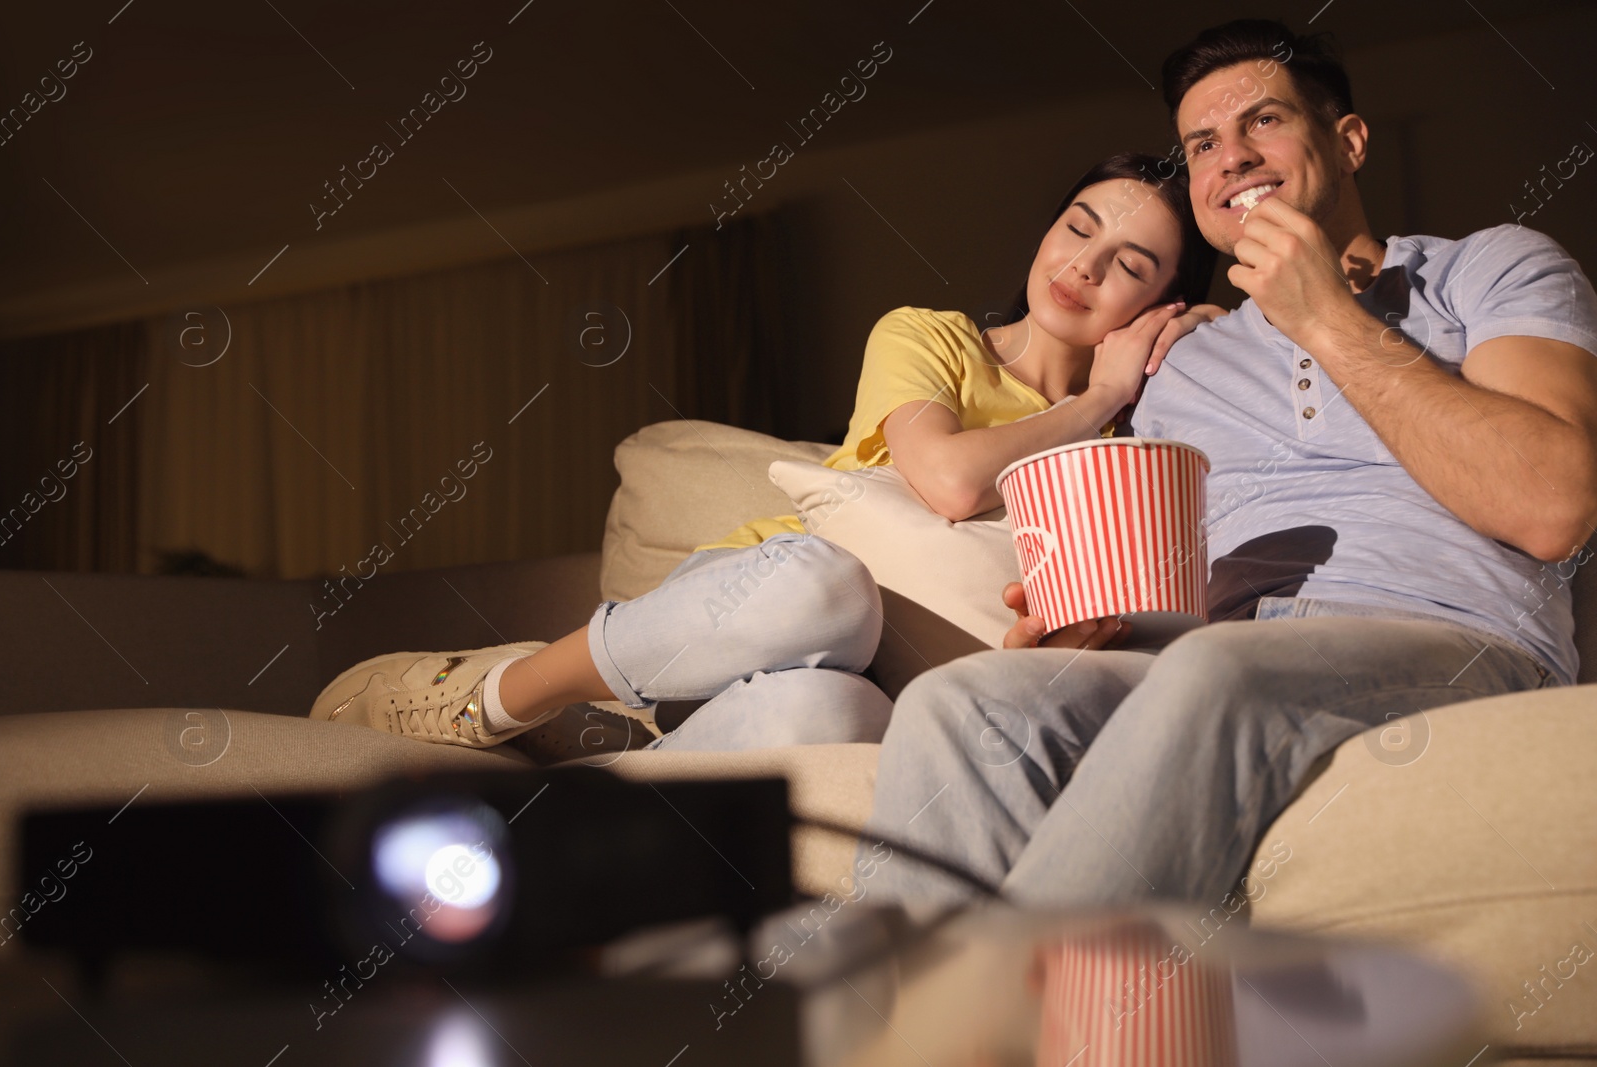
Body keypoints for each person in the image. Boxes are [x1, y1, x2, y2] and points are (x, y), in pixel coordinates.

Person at [860, 19, 1597, 910]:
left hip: (1451, 636)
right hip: (1225, 647)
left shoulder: (1489, 270)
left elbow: (1555, 502)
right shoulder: (1177, 364)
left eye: (1264, 122)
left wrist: (1323, 311)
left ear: (1350, 141)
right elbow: (1169, 593)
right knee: (965, 704)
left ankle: (1006, 1028)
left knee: (1218, 674)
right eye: (1203, 143)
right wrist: (1101, 628)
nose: (1232, 158)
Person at [309, 152, 1223, 751]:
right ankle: (502, 694)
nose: (1086, 266)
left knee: (839, 718)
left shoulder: (1132, 458)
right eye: (1079, 224)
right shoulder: (934, 338)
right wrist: (1101, 392)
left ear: (1159, 307)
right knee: (826, 588)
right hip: (763, 606)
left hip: (876, 688)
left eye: (1133, 265)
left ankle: (592, 802)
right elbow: (946, 478)